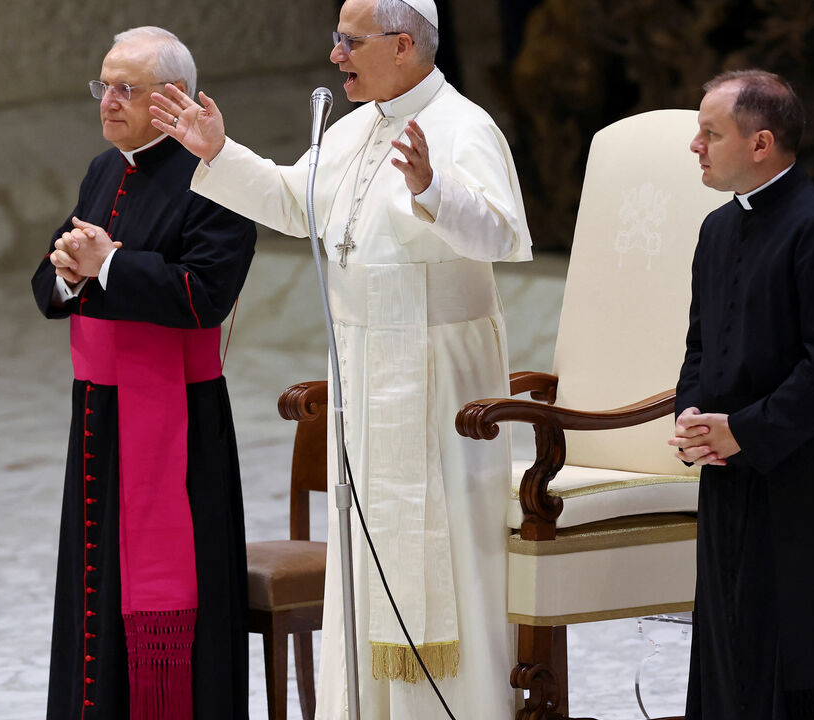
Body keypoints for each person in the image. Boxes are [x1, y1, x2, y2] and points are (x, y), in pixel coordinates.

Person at [151, 0, 532, 716]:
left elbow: (503, 236)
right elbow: (297, 206)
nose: (335, 55)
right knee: (365, 554)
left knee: (443, 550)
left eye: (349, 41)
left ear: (402, 44)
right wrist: (217, 153)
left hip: (437, 381)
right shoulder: (356, 127)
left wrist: (432, 189)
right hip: (365, 374)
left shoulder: (464, 126)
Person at [31, 26, 256, 720]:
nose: (108, 101)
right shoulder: (104, 169)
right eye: (104, 86)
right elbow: (48, 285)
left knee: (172, 589)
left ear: (174, 96)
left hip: (180, 427)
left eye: (126, 89)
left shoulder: (216, 177)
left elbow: (205, 295)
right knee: (93, 588)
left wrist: (109, 265)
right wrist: (70, 273)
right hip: (99, 416)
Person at [671, 69, 814, 719]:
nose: (695, 145)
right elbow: (699, 344)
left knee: (802, 657)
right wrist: (691, 416)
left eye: (710, 133)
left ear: (761, 143)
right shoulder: (716, 229)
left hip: (800, 484)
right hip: (726, 480)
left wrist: (744, 432)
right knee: (728, 646)